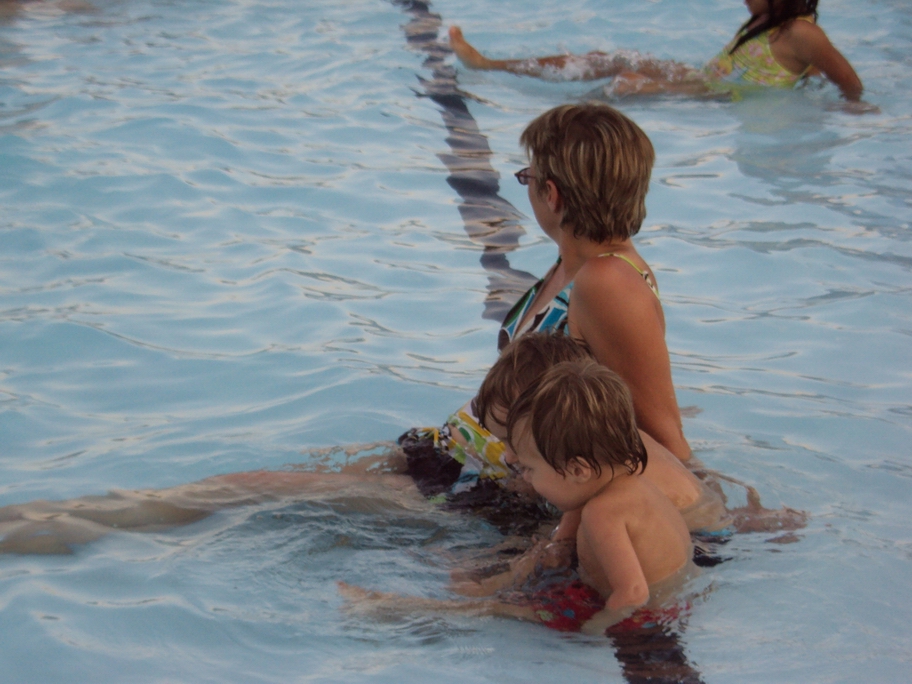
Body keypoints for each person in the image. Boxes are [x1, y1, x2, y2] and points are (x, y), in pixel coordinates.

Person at [400, 102, 692, 537]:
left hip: (502, 492)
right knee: (298, 484)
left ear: (552, 194)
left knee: (300, 495)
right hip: (471, 462)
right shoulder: (572, 265)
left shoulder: (608, 283)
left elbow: (663, 437)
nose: (528, 188)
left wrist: (708, 514)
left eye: (527, 178)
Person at [341, 360, 697, 634]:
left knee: (503, 609)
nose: (520, 474)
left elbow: (633, 595)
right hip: (672, 602)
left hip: (644, 619)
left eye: (529, 469)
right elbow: (560, 544)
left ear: (577, 470)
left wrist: (594, 632)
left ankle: (394, 607)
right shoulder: (612, 487)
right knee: (501, 579)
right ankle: (465, 589)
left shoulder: (604, 512)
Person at [448, 0, 864, 102]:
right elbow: (802, 71)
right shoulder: (768, 20)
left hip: (720, 96)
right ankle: (488, 64)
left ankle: (563, 120)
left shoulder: (803, 34)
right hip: (705, 78)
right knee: (611, 57)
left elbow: (850, 84)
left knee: (626, 84)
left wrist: (846, 108)